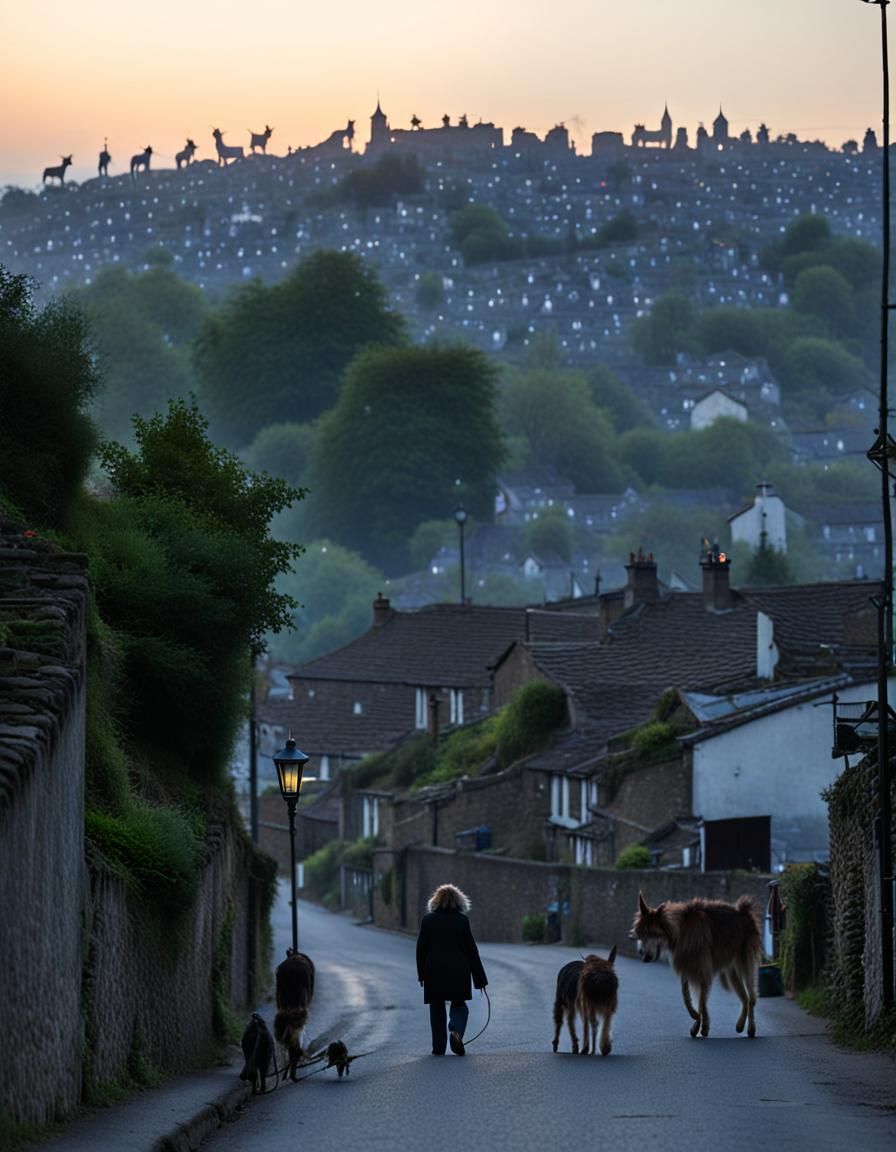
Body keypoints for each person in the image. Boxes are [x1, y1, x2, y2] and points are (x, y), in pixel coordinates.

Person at [416, 883, 488, 1056]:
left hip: (434, 972)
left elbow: (421, 950)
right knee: (459, 1005)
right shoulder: (462, 921)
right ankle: (456, 1031)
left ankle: (438, 1048)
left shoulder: (428, 920)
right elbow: (472, 951)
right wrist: (480, 978)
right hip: (458, 972)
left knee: (436, 1007)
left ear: (436, 901)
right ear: (459, 902)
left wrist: (421, 975)